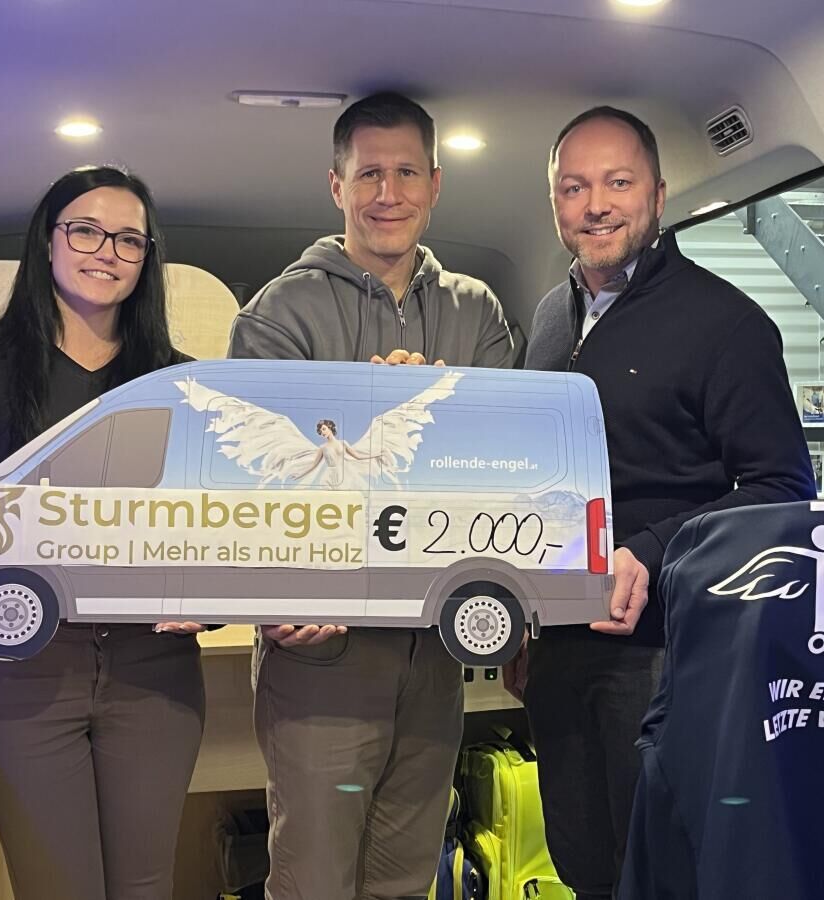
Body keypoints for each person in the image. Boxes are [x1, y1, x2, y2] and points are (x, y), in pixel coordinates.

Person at [0, 165, 206, 900]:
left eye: (129, 240)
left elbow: (209, 525)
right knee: (57, 886)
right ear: (47, 240)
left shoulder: (181, 383)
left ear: (146, 258)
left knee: (146, 885)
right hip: (23, 665)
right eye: (85, 230)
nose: (106, 251)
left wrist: (205, 602)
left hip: (154, 671)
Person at [507, 107, 816, 899]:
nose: (596, 205)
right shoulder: (548, 319)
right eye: (574, 187)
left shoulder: (727, 323)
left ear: (658, 193)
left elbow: (782, 488)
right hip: (559, 647)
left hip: (663, 651)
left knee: (662, 873)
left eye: (618, 182)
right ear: (554, 201)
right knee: (582, 863)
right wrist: (522, 616)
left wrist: (653, 549)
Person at [227, 91, 514, 900]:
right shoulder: (278, 313)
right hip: (323, 653)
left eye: (407, 173)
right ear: (337, 186)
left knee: (406, 877)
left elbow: (503, 466)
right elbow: (252, 483)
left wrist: (434, 419)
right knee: (313, 880)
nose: (388, 193)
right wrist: (274, 600)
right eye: (368, 174)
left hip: (434, 654)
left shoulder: (478, 312)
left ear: (435, 184)